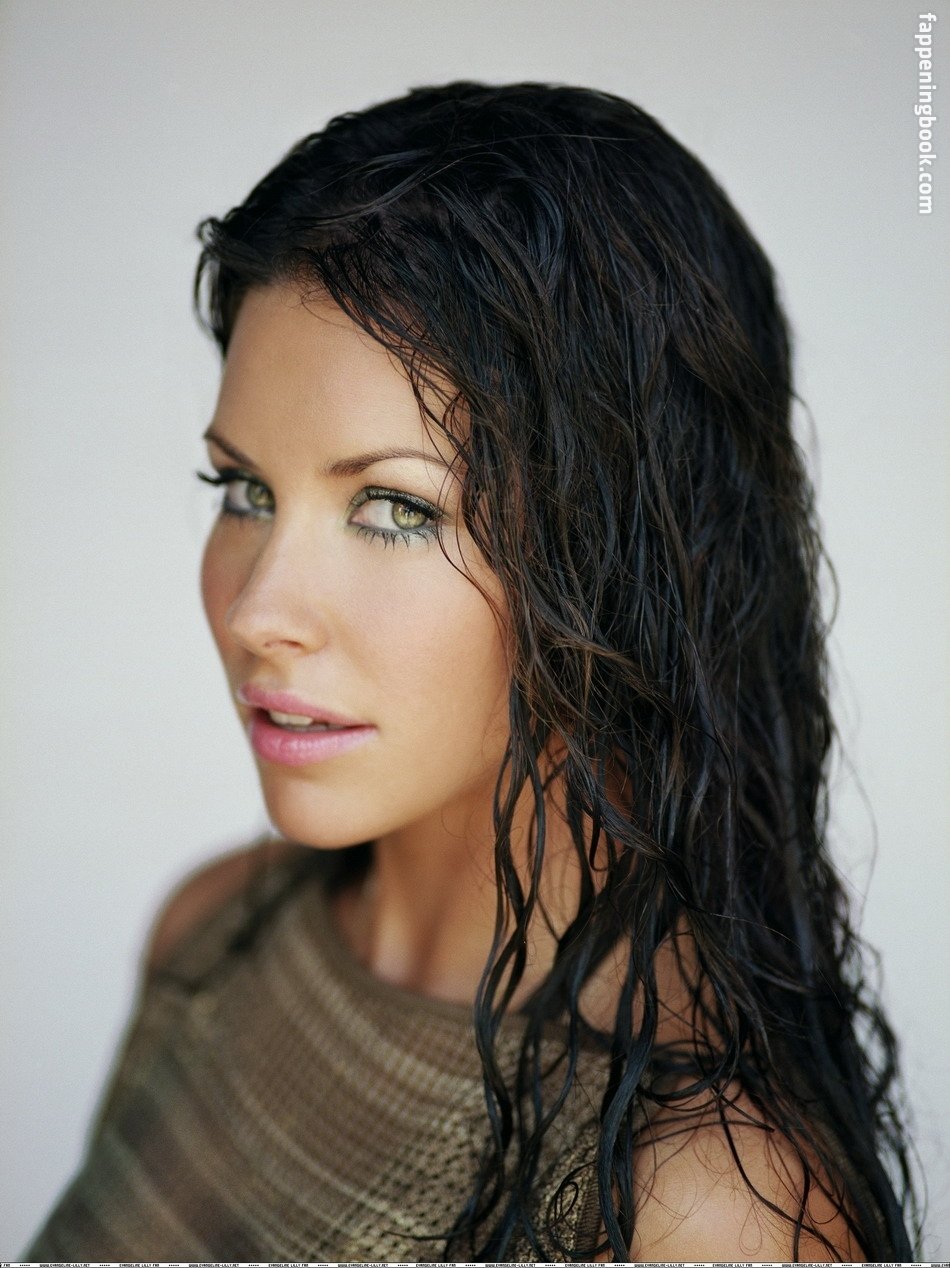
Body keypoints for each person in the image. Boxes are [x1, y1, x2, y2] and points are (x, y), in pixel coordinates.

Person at [24, 79, 920, 1263]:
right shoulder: (211, 934)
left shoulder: (699, 1199)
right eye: (245, 490)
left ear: (616, 556)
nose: (256, 610)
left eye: (393, 507)